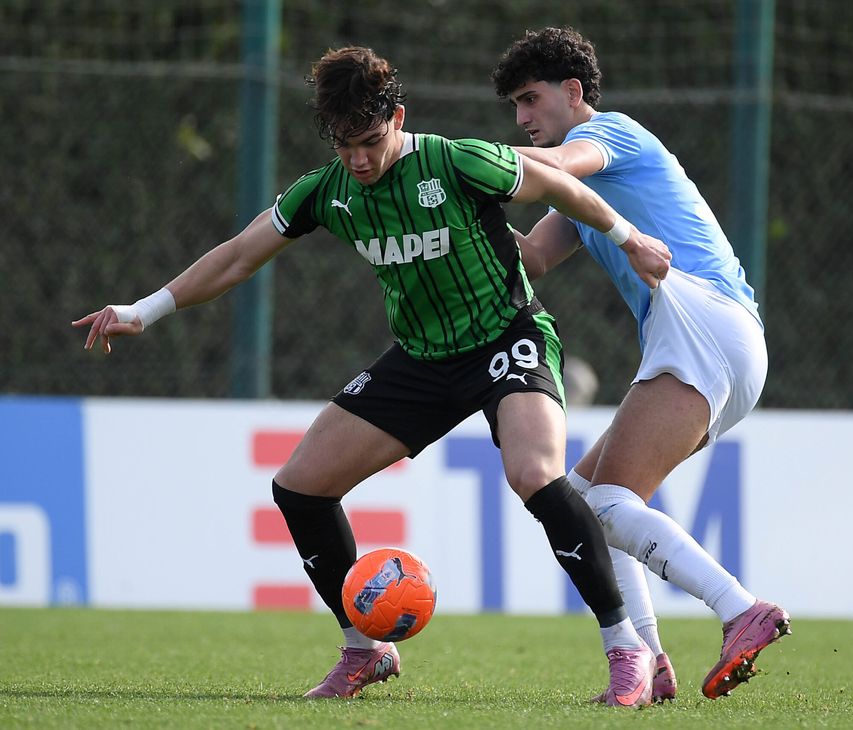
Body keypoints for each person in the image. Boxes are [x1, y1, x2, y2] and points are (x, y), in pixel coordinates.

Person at [73, 45, 673, 706]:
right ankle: (364, 650)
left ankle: (627, 650)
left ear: (398, 119)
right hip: (421, 360)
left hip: (508, 337)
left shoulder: (456, 160)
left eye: (370, 141)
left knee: (535, 474)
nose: (358, 159)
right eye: (343, 144)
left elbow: (560, 187)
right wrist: (144, 310)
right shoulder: (326, 191)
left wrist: (629, 238)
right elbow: (240, 255)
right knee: (300, 486)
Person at [492, 27, 791, 702]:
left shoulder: (612, 133)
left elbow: (557, 164)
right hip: (707, 335)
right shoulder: (578, 194)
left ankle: (741, 609)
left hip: (704, 320)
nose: (522, 117)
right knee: (584, 500)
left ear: (573, 92)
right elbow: (531, 257)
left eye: (531, 99)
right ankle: (651, 663)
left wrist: (447, 161)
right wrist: (450, 215)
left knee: (604, 501)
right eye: (516, 105)